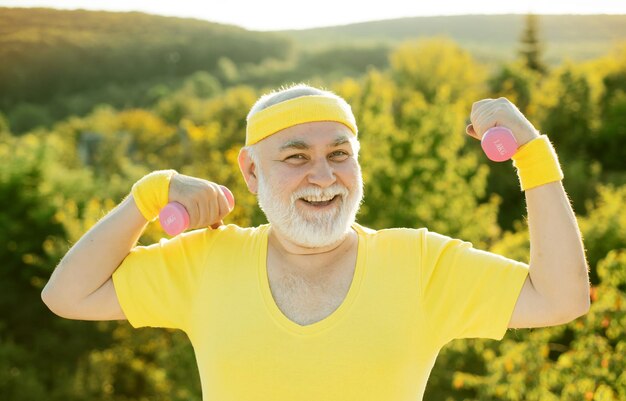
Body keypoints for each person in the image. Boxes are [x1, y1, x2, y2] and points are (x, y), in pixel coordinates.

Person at [41, 83, 590, 401]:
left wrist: (532, 154)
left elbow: (561, 298)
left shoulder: (419, 262)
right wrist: (147, 195)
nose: (324, 177)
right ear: (251, 172)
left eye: (339, 154)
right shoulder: (206, 260)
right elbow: (67, 295)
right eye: (296, 157)